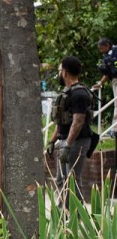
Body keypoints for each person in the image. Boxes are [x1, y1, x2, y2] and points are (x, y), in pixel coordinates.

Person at [48, 56, 94, 205]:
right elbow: (62, 121)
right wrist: (52, 141)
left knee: (72, 179)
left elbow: (78, 121)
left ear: (65, 72)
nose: (60, 73)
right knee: (62, 179)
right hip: (66, 140)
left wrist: (67, 145)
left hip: (77, 142)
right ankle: (64, 214)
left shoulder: (79, 94)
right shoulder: (67, 92)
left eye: (60, 70)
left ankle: (76, 217)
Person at [92, 38, 117, 135]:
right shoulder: (106, 57)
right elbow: (107, 74)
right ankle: (114, 129)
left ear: (107, 45)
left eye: (102, 48)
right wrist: (100, 83)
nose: (101, 51)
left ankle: (114, 129)